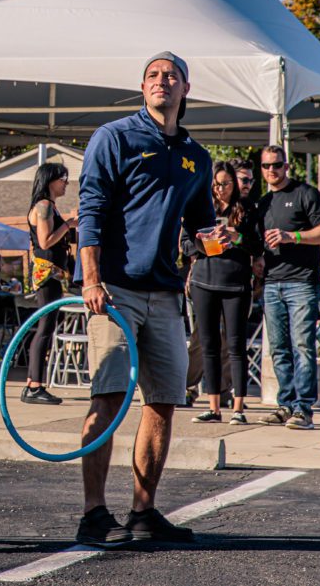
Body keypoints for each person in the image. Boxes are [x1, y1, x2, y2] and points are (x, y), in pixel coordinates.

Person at [73, 52, 227, 548]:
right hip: (113, 289)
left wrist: (219, 238)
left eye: (172, 76)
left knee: (163, 402)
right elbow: (91, 209)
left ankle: (144, 511)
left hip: (164, 293)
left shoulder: (196, 158)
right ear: (143, 87)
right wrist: (91, 279)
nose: (163, 81)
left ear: (186, 88)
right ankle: (94, 514)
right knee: (110, 396)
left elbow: (201, 231)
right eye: (154, 75)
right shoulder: (115, 137)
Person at [253, 145, 320, 430]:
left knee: (303, 346)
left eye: (276, 165)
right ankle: (285, 404)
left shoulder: (305, 193)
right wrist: (255, 258)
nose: (271, 171)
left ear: (287, 166)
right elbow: (255, 242)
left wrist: (293, 236)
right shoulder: (263, 202)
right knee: (278, 349)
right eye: (265, 166)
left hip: (301, 282)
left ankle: (304, 409)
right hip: (272, 283)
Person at [187, 161, 259, 424]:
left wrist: (235, 236)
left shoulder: (248, 208)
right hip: (204, 282)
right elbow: (185, 243)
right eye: (216, 184)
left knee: (236, 346)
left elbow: (257, 245)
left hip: (236, 283)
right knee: (209, 346)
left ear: (235, 184)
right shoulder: (202, 207)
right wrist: (205, 244)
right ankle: (213, 407)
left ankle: (238, 408)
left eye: (226, 184)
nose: (221, 190)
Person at [22, 162, 76, 406]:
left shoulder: (49, 207)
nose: (65, 183)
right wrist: (69, 224)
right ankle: (34, 385)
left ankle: (34, 383)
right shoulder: (43, 206)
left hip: (53, 274)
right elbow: (45, 242)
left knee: (47, 328)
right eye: (62, 178)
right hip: (46, 274)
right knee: (45, 329)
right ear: (49, 180)